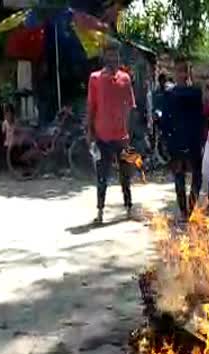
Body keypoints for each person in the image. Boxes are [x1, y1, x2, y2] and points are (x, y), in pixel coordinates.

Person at [87, 39, 137, 224]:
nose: (112, 57)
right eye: (108, 54)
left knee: (127, 175)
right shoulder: (95, 78)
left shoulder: (125, 78)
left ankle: (129, 209)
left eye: (114, 54)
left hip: (123, 138)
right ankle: (100, 213)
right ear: (104, 56)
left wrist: (129, 134)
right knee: (102, 176)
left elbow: (131, 107)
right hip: (101, 137)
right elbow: (91, 107)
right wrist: (90, 133)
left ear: (118, 56)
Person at [157, 56, 205, 219]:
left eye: (184, 70)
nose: (182, 74)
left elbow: (200, 117)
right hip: (182, 141)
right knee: (184, 176)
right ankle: (186, 210)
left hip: (187, 141)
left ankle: (188, 209)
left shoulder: (191, 93)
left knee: (191, 176)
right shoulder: (180, 93)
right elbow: (165, 120)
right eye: (179, 71)